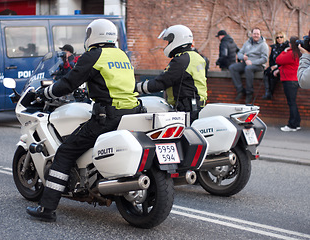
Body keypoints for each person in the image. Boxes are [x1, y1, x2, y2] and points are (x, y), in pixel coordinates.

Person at [26, 19, 143, 222]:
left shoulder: (93, 55)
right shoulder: (122, 55)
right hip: (133, 112)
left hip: (107, 116)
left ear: (94, 35)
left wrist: (46, 93)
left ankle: (47, 209)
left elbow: (69, 83)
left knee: (65, 152)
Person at [135, 25, 207, 124]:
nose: (168, 44)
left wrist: (136, 87)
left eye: (169, 41)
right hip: (196, 107)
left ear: (177, 39)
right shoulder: (196, 57)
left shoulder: (182, 60)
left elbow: (161, 82)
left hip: (186, 109)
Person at [229, 27, 269, 104]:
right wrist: (243, 57)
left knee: (248, 68)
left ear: (260, 35)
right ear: (251, 34)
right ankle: (240, 90)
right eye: (254, 34)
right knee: (233, 67)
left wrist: (252, 62)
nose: (256, 35)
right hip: (246, 62)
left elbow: (264, 59)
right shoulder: (247, 43)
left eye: (257, 34)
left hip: (258, 65)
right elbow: (239, 53)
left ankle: (249, 92)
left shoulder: (264, 45)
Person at [273, 36, 301, 132]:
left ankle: (292, 125)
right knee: (293, 102)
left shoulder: (290, 53)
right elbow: (289, 65)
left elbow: (278, 60)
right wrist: (279, 70)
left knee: (291, 103)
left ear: (291, 44)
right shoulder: (297, 53)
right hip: (294, 80)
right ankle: (296, 123)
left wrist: (285, 51)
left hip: (289, 80)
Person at [262, 31, 289, 100]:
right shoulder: (274, 48)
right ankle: (267, 92)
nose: (279, 39)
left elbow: (286, 60)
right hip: (274, 66)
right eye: (277, 37)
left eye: (281, 37)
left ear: (284, 38)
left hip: (283, 67)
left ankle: (271, 92)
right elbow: (271, 59)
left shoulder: (287, 47)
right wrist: (271, 66)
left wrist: (277, 66)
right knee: (266, 72)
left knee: (274, 75)